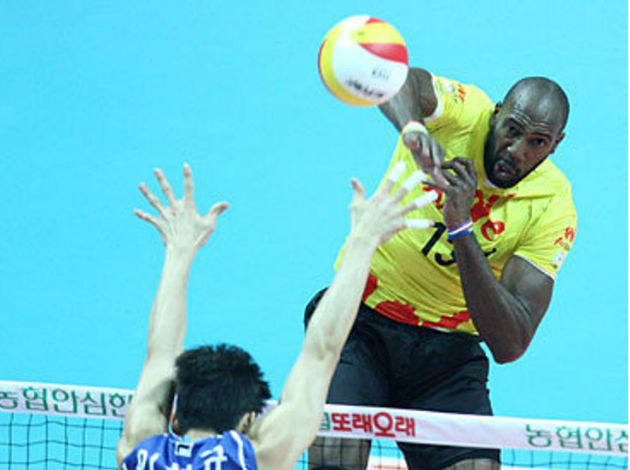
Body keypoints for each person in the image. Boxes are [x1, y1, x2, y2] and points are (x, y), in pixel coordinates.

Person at [307, 69, 576, 470]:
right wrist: (414, 130)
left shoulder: (553, 207)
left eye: (537, 142)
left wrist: (461, 228)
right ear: (496, 114)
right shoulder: (463, 113)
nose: (517, 150)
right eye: (512, 130)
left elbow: (511, 343)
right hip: (358, 323)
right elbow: (400, 80)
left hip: (446, 358)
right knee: (335, 460)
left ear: (556, 144)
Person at [116, 163, 435, 470]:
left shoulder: (139, 455)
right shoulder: (258, 458)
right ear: (248, 421)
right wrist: (363, 240)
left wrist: (178, 250)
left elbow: (160, 356)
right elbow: (320, 352)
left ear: (174, 418)